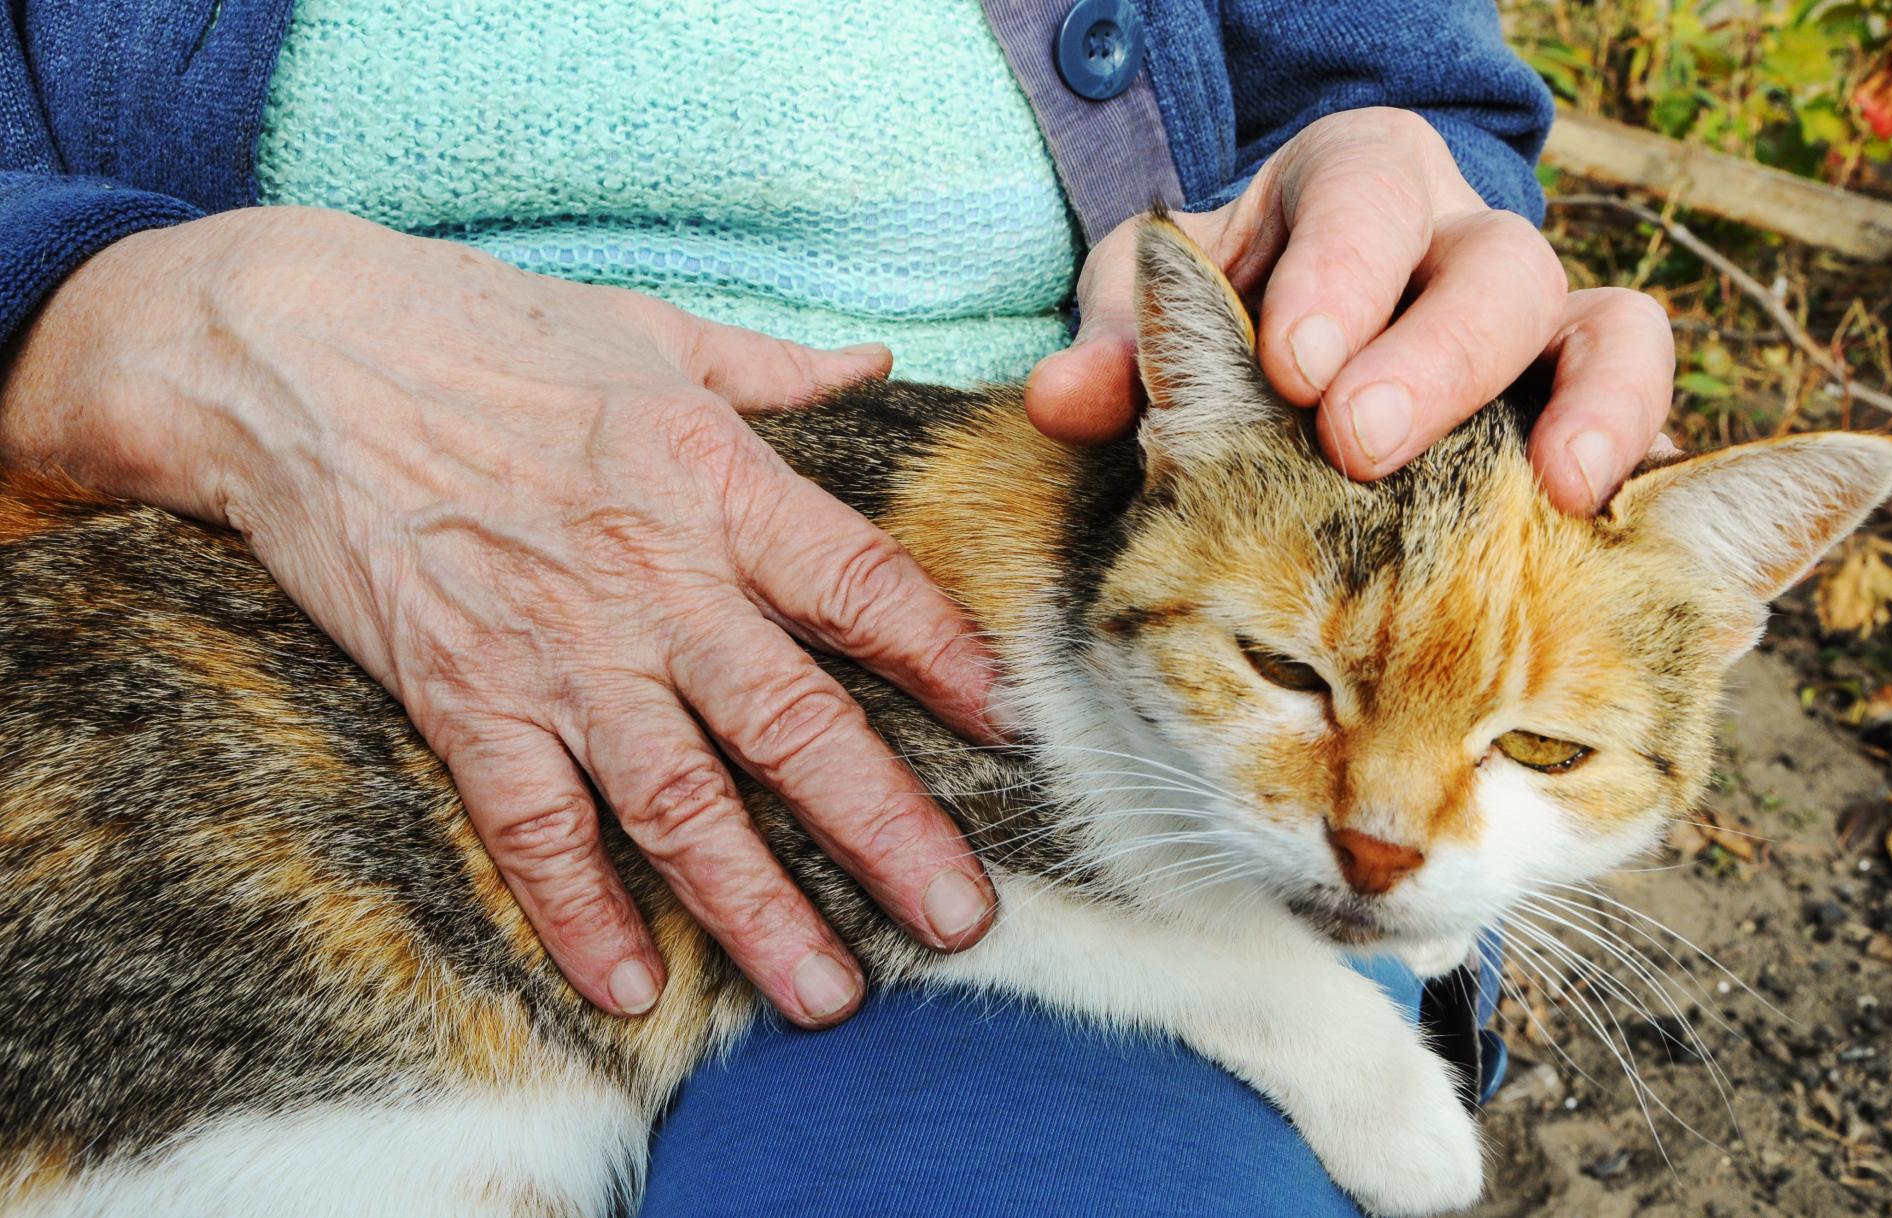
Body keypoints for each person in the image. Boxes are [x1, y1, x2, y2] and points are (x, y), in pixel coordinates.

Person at [0, 1, 1673, 1210]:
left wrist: (1397, 213)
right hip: (237, 636)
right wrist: (125, 307)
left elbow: (1406, 95)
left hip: (1116, 613)